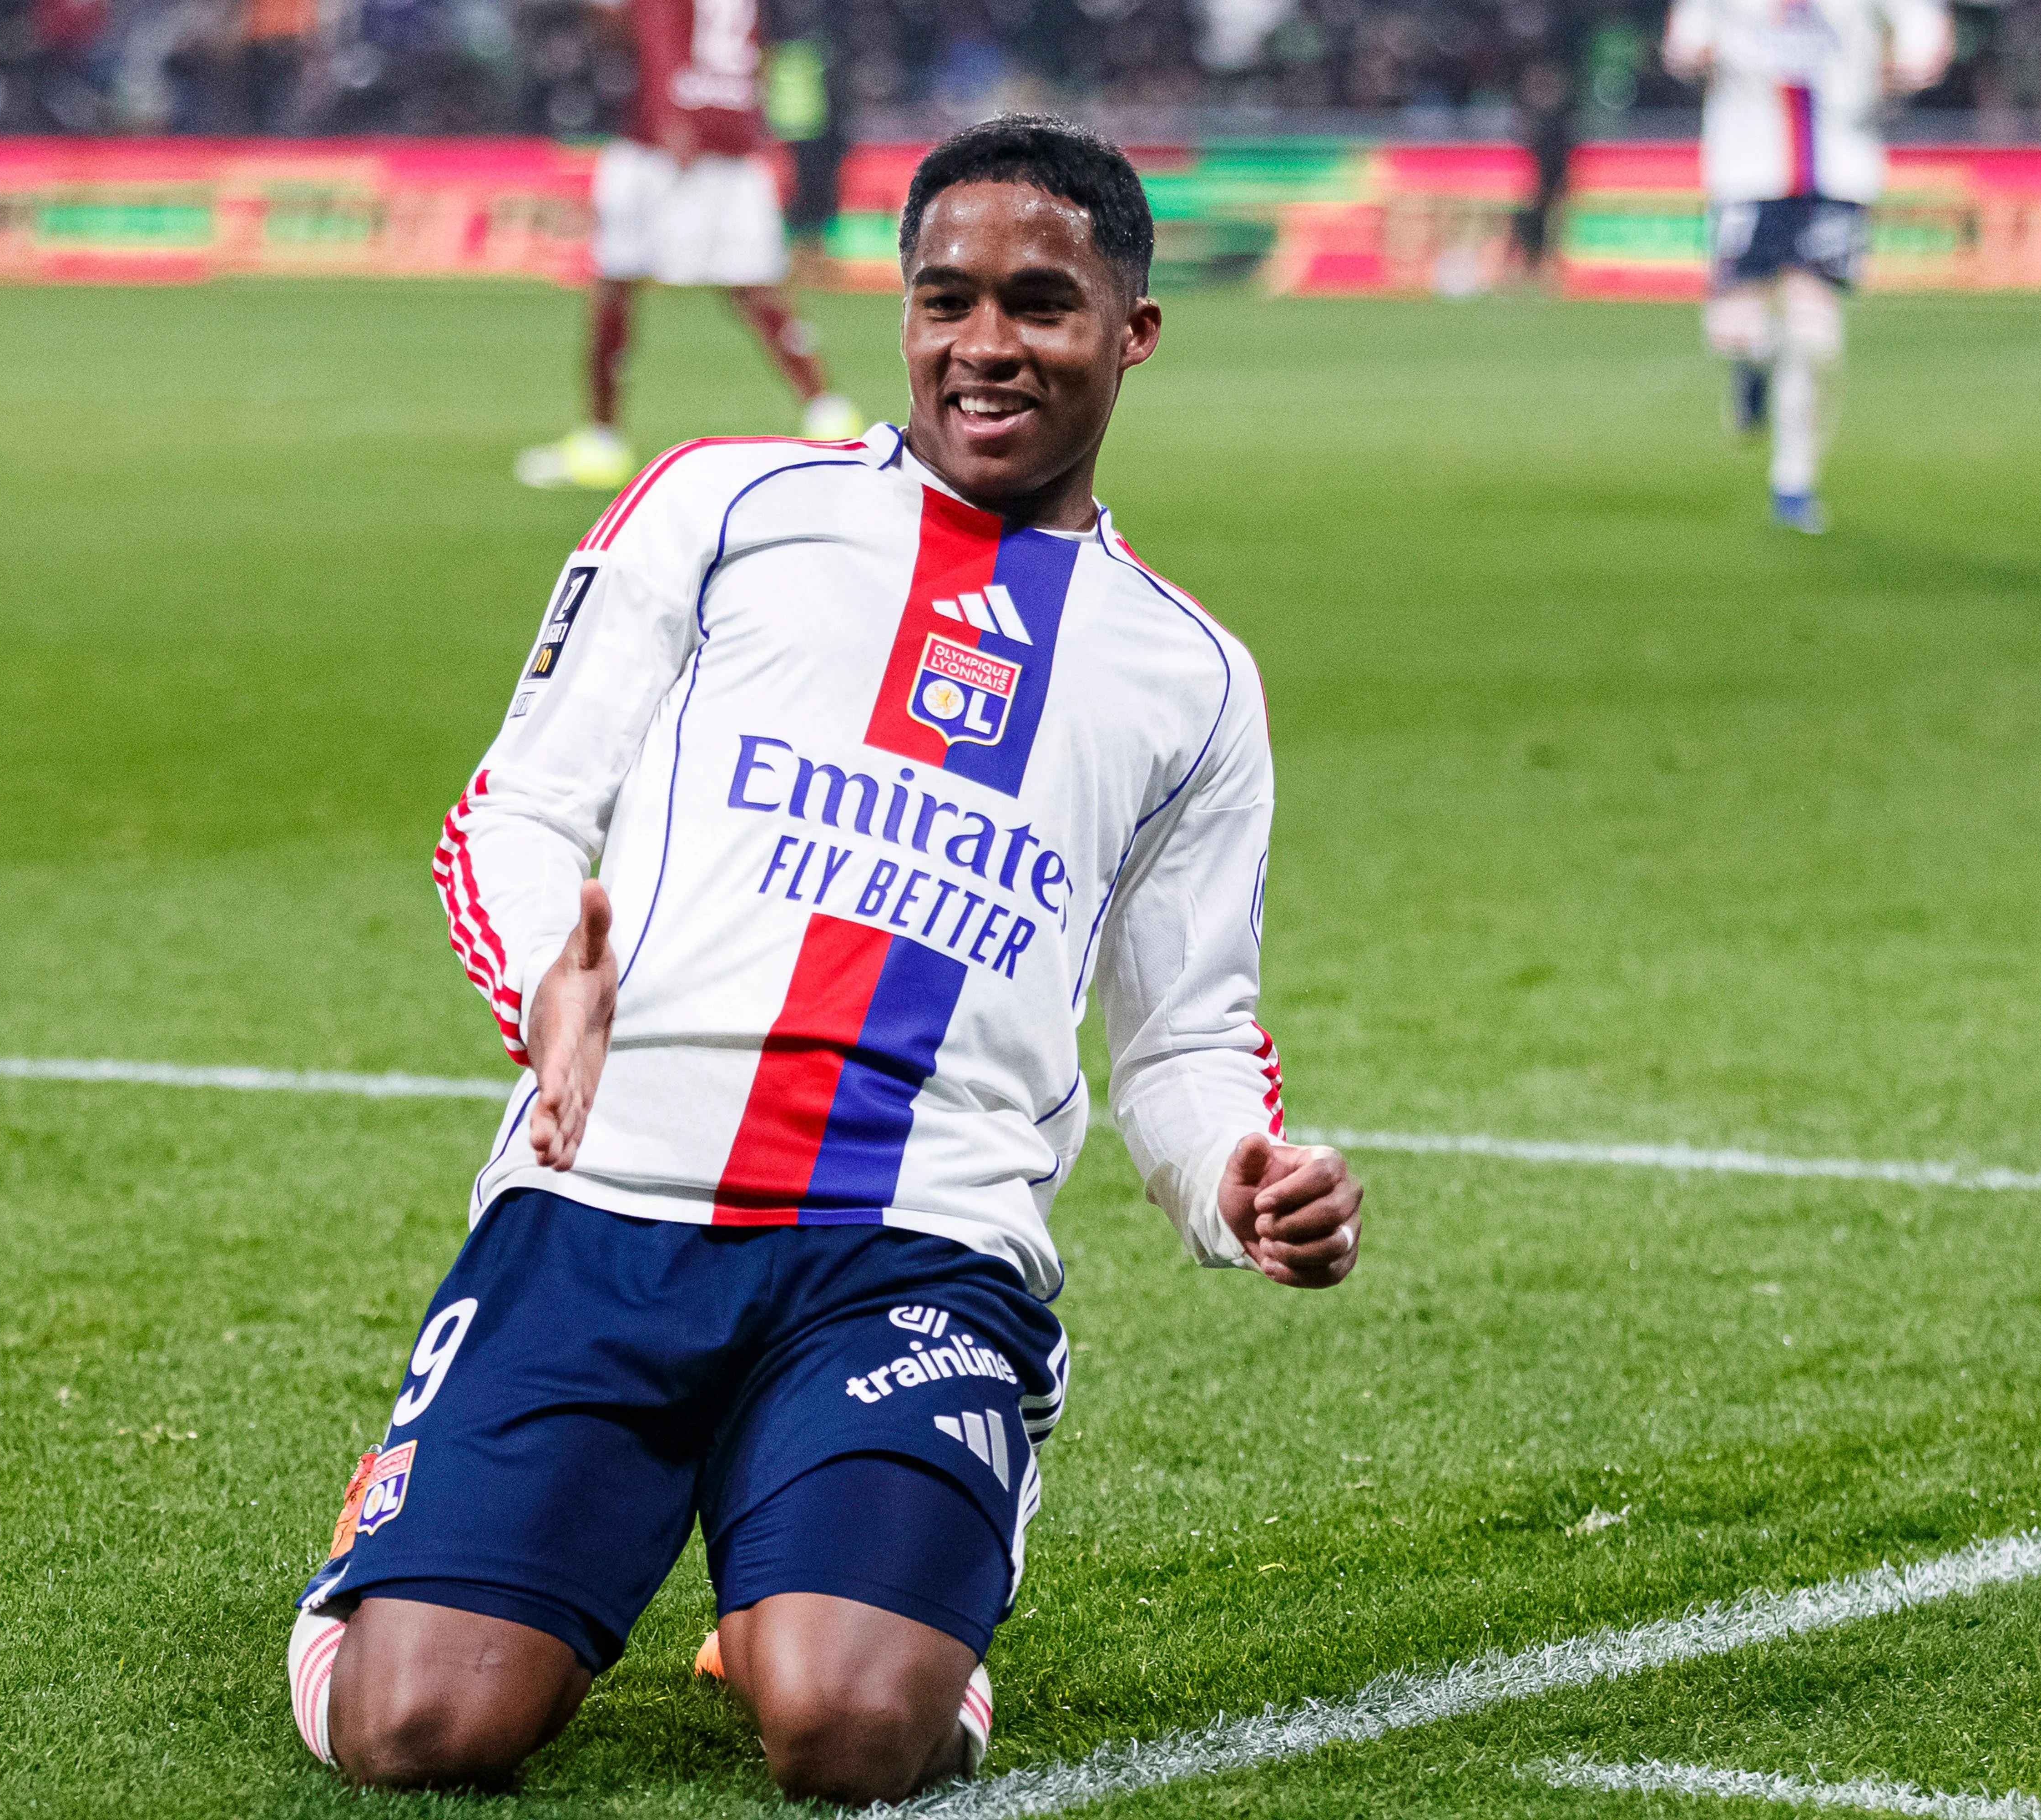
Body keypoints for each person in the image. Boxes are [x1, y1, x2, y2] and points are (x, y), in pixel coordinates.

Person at [287, 115, 1364, 1804]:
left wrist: (1241, 1179)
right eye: (944, 300)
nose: (983, 345)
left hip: (913, 1246)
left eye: (1038, 304)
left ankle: (843, 1570)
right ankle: (407, 1536)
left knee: (854, 1733)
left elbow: (1183, 1037)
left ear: (1131, 330)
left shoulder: (1192, 679)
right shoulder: (723, 504)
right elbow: (515, 810)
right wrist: (540, 986)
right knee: (420, 1729)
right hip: (612, 1204)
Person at [514, 0, 861, 492]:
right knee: (754, 287)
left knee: (616, 282)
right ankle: (828, 412)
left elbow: (643, 30)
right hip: (735, 132)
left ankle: (602, 442)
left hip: (661, 137)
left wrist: (670, 114)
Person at [1664, 0, 1949, 531]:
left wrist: (1904, 65)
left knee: (1815, 336)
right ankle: (1756, 361)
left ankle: (1794, 484)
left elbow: (1925, 30)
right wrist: (1707, 57)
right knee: (1733, 331)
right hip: (1749, 170)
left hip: (1839, 171)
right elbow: (1683, 47)